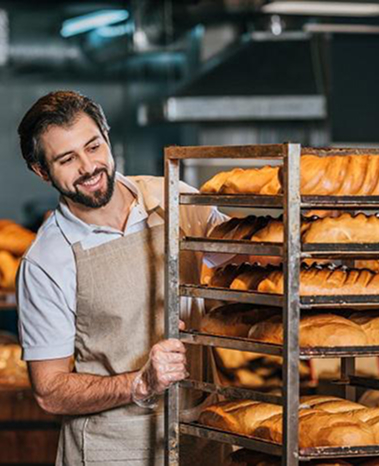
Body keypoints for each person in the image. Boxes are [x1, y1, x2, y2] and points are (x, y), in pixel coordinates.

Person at [16, 90, 229, 466]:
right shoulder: (47, 261)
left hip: (199, 438)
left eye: (94, 146)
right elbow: (49, 390)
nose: (88, 167)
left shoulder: (172, 199)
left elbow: (244, 258)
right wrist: (141, 383)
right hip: (111, 451)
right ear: (41, 171)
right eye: (67, 159)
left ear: (107, 138)